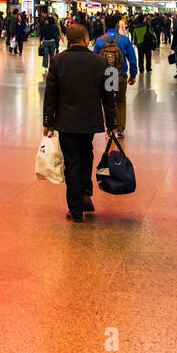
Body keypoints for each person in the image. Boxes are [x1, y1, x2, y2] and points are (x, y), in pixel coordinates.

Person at [43, 24, 117, 222]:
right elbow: (110, 95)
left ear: (67, 40)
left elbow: (50, 95)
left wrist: (47, 121)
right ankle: (85, 194)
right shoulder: (102, 62)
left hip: (66, 121)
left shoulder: (57, 61)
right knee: (87, 155)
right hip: (90, 120)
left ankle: (76, 209)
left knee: (71, 163)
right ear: (86, 39)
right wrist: (113, 123)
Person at [93, 13, 138, 135]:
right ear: (118, 25)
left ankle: (110, 128)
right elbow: (132, 59)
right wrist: (133, 75)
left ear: (106, 25)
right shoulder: (124, 39)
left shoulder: (100, 40)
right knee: (121, 101)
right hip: (120, 75)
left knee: (108, 102)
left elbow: (95, 59)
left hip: (107, 75)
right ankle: (120, 128)